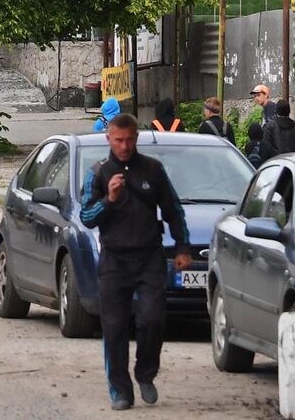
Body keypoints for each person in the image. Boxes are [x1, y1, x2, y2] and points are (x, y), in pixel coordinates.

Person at [80, 113, 192, 411]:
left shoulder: (153, 170)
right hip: (114, 261)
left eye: (130, 139)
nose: (125, 146)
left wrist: (183, 247)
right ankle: (120, 390)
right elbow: (86, 217)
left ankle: (146, 374)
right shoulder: (98, 173)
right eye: (119, 140)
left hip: (149, 257)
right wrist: (109, 200)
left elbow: (173, 210)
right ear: (109, 139)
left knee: (153, 319)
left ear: (136, 138)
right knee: (114, 328)